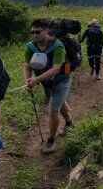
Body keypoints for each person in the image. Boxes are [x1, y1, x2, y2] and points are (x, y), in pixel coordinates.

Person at [23, 18, 73, 154]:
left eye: (38, 32)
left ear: (46, 31)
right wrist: (28, 82)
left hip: (62, 80)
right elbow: (27, 67)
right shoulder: (30, 47)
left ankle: (51, 140)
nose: (34, 35)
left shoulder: (58, 46)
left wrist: (36, 79)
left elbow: (56, 68)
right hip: (46, 83)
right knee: (59, 102)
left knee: (53, 110)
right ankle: (69, 123)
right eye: (32, 32)